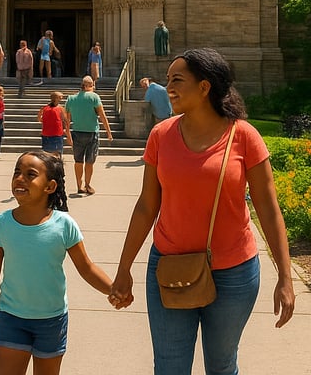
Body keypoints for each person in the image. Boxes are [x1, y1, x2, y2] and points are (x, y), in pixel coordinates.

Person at [110, 48, 295, 374]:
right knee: (169, 368)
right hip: (169, 268)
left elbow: (268, 208)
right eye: (168, 80)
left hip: (234, 274)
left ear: (205, 87)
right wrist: (123, 268)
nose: (169, 87)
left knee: (221, 366)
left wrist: (285, 276)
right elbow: (146, 206)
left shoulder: (245, 136)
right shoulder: (161, 136)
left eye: (177, 80)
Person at [0, 150, 121, 372]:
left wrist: (113, 290)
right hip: (12, 319)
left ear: (49, 187)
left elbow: (86, 268)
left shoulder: (64, 225)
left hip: (52, 321)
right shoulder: (2, 224)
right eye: (17, 172)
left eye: (30, 174)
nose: (20, 178)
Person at [64, 76, 113, 196]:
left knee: (78, 160)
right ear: (90, 85)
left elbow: (67, 119)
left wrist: (68, 134)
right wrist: (108, 132)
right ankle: (87, 184)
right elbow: (102, 115)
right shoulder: (94, 97)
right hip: (92, 132)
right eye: (93, 85)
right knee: (90, 161)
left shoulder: (71, 98)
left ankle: (79, 185)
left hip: (76, 132)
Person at [37, 91, 70, 157]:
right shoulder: (60, 108)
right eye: (60, 97)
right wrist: (67, 134)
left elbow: (40, 119)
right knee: (56, 155)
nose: (62, 98)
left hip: (47, 134)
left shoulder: (45, 108)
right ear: (56, 98)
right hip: (56, 135)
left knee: (47, 155)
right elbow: (66, 121)